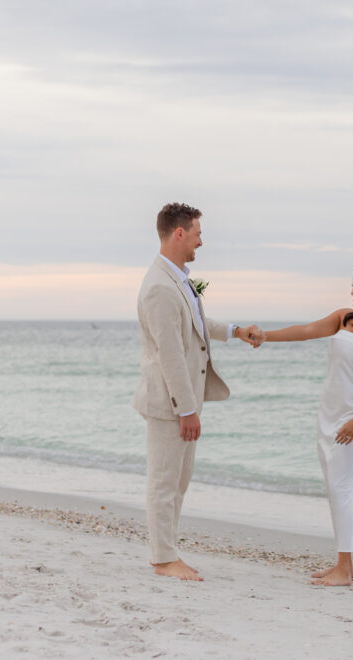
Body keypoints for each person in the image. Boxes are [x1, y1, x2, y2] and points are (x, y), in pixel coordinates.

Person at [259, 264, 353, 586]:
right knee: (336, 488)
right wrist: (264, 337)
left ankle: (343, 569)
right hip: (328, 412)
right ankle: (345, 564)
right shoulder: (346, 318)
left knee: (341, 488)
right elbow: (306, 331)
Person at [132, 202, 260, 581]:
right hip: (169, 403)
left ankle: (167, 554)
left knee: (179, 481)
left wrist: (236, 331)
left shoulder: (180, 279)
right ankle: (163, 559)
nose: (201, 242)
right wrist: (187, 410)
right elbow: (170, 354)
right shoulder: (158, 288)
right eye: (199, 234)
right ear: (179, 233)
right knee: (164, 481)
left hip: (183, 401)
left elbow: (198, 323)